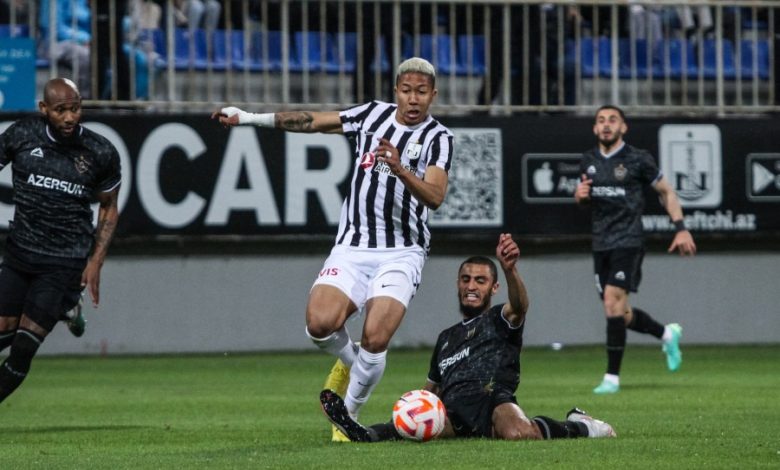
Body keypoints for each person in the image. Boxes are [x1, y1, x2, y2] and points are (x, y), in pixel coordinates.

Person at [213, 57, 453, 435]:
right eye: (406, 90)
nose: (413, 99)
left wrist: (401, 169)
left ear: (433, 95)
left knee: (376, 336)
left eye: (421, 92)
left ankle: (348, 419)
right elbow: (312, 120)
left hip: (402, 250)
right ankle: (354, 363)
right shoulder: (371, 115)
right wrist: (248, 118)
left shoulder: (439, 138)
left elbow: (436, 196)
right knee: (319, 325)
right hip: (353, 245)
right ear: (396, 91)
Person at [320, 233, 616, 442]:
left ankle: (580, 425)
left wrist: (510, 269)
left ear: (494, 288)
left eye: (480, 280)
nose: (471, 286)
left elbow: (520, 306)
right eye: (466, 279)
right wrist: (415, 406)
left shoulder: (499, 318)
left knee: (518, 433)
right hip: (452, 412)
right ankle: (361, 431)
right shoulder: (446, 337)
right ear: (458, 284)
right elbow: (432, 388)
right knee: (411, 428)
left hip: (492, 401)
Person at [0, 78, 121, 404]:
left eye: (75, 109)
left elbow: (109, 206)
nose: (69, 117)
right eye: (61, 110)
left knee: (23, 347)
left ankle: (67, 300)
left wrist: (96, 262)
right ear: (44, 109)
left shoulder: (99, 151)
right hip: (20, 255)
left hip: (63, 261)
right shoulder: (22, 135)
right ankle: (68, 307)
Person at [574, 105, 696, 395]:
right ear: (595, 128)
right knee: (619, 312)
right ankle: (666, 334)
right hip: (600, 244)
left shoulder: (638, 159)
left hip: (628, 241)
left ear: (623, 127)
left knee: (612, 303)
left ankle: (611, 378)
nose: (606, 125)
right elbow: (585, 199)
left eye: (612, 120)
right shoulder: (588, 160)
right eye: (601, 120)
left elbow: (666, 191)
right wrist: (580, 196)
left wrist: (680, 227)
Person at [39, 0, 93, 99]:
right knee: (86, 55)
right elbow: (56, 29)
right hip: (57, 43)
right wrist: (86, 39)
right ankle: (84, 100)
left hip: (88, 42)